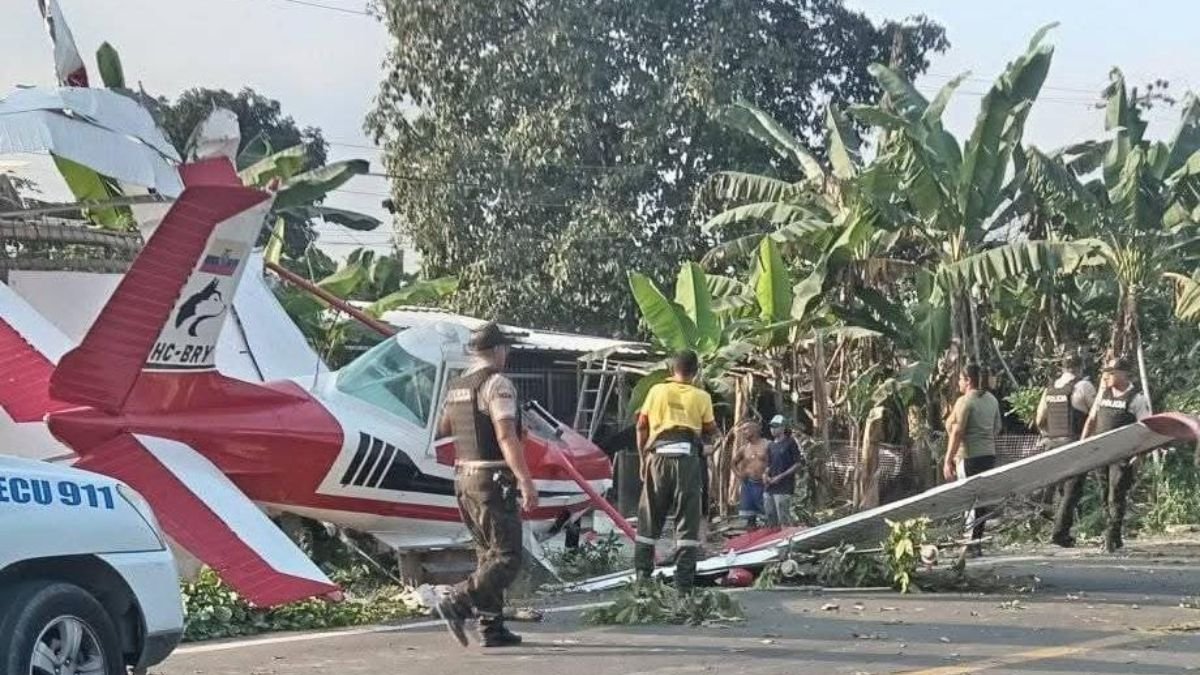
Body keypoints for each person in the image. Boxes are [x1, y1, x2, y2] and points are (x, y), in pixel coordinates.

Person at [433, 321, 537, 649]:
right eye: (506, 349)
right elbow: (505, 435)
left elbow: (444, 428)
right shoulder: (497, 383)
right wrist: (525, 479)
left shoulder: (457, 386)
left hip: (464, 479)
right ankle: (458, 600)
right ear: (498, 350)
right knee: (508, 556)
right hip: (491, 479)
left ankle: (491, 627)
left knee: (487, 555)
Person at [634, 349, 716, 593]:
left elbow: (641, 426)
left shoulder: (656, 391)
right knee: (687, 523)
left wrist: (643, 459)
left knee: (649, 519)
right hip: (687, 460)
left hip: (657, 457)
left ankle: (642, 582)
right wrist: (706, 448)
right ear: (696, 372)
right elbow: (711, 431)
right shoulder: (702, 397)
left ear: (671, 369)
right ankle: (683, 588)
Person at [1055, 357, 1151, 552]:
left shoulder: (1137, 399)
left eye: (1112, 372)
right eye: (1106, 372)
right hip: (1101, 454)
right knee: (1104, 493)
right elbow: (1092, 419)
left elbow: (1146, 429)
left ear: (1124, 374)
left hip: (1123, 456)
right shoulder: (1103, 394)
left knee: (1116, 495)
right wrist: (1082, 446)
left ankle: (1112, 536)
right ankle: (1113, 537)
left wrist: (1139, 456)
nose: (1107, 376)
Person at [943, 363, 1001, 557]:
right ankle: (976, 542)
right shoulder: (992, 400)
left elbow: (957, 432)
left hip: (969, 457)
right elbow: (997, 428)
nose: (958, 383)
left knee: (969, 501)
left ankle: (968, 545)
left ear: (968, 381)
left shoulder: (965, 401)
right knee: (981, 500)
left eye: (960, 379)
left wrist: (948, 460)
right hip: (988, 455)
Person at [1041, 353, 1098, 547]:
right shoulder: (1084, 386)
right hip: (1074, 444)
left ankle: (1049, 511)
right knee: (1071, 491)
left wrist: (1049, 435)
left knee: (1061, 488)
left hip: (1052, 444)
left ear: (1062, 367)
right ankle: (1060, 534)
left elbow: (1039, 418)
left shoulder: (1050, 389)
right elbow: (1095, 415)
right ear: (1080, 367)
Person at [763, 415, 802, 528]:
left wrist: (781, 476)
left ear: (783, 427)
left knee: (783, 516)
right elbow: (769, 464)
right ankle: (773, 535)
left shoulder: (790, 442)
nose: (772, 429)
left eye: (776, 426)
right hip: (770, 486)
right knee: (770, 514)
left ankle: (787, 535)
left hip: (784, 487)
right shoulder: (771, 445)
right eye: (771, 426)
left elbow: (798, 464)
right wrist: (765, 474)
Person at [731, 420, 769, 529]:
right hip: (748, 485)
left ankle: (769, 535)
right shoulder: (744, 449)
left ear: (755, 429)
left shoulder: (767, 445)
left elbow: (775, 462)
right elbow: (733, 463)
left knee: (766, 515)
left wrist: (768, 474)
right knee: (749, 518)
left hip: (763, 484)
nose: (743, 432)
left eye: (745, 429)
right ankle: (752, 536)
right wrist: (739, 475)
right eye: (742, 430)